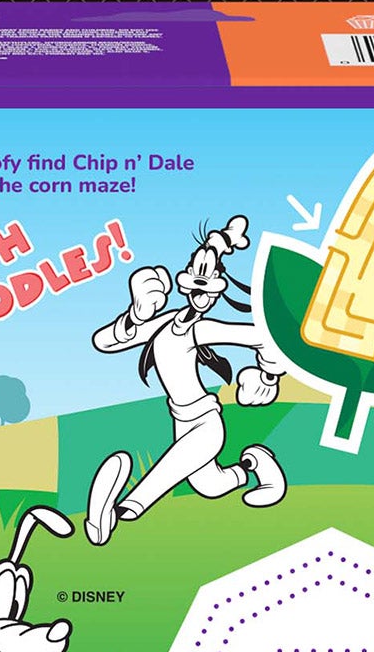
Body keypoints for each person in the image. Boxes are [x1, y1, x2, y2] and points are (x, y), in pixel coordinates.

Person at [84, 216, 286, 546]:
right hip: (180, 420)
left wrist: (267, 376)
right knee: (211, 485)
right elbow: (104, 342)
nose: (201, 293)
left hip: (206, 423)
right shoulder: (164, 324)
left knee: (170, 469)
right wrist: (135, 315)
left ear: (218, 290)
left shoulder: (201, 329)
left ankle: (116, 513)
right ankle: (256, 463)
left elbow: (261, 337)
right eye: (195, 281)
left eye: (209, 286)